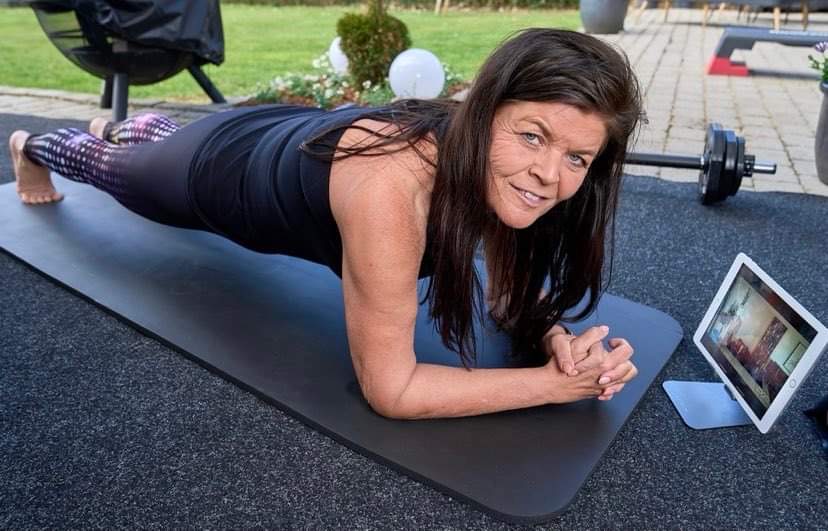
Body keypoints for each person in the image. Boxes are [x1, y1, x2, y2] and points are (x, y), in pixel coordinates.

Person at [8, 28, 643, 419]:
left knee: (155, 140)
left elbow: (506, 298)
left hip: (288, 137)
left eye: (577, 158)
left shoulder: (498, 166)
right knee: (112, 170)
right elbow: (393, 391)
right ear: (484, 111)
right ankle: (31, 146)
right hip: (215, 173)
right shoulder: (392, 189)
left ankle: (125, 127)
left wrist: (556, 340)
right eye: (533, 136)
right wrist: (549, 388)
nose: (549, 174)